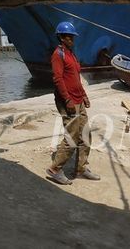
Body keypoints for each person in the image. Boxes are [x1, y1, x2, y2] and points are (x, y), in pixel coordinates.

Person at [45, 20, 100, 185]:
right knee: (72, 136)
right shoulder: (58, 55)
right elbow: (58, 79)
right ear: (61, 37)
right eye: (69, 37)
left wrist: (84, 95)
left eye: (73, 37)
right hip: (67, 101)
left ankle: (81, 169)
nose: (72, 40)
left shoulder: (71, 54)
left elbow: (75, 78)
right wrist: (67, 99)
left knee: (86, 134)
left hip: (78, 100)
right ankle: (55, 169)